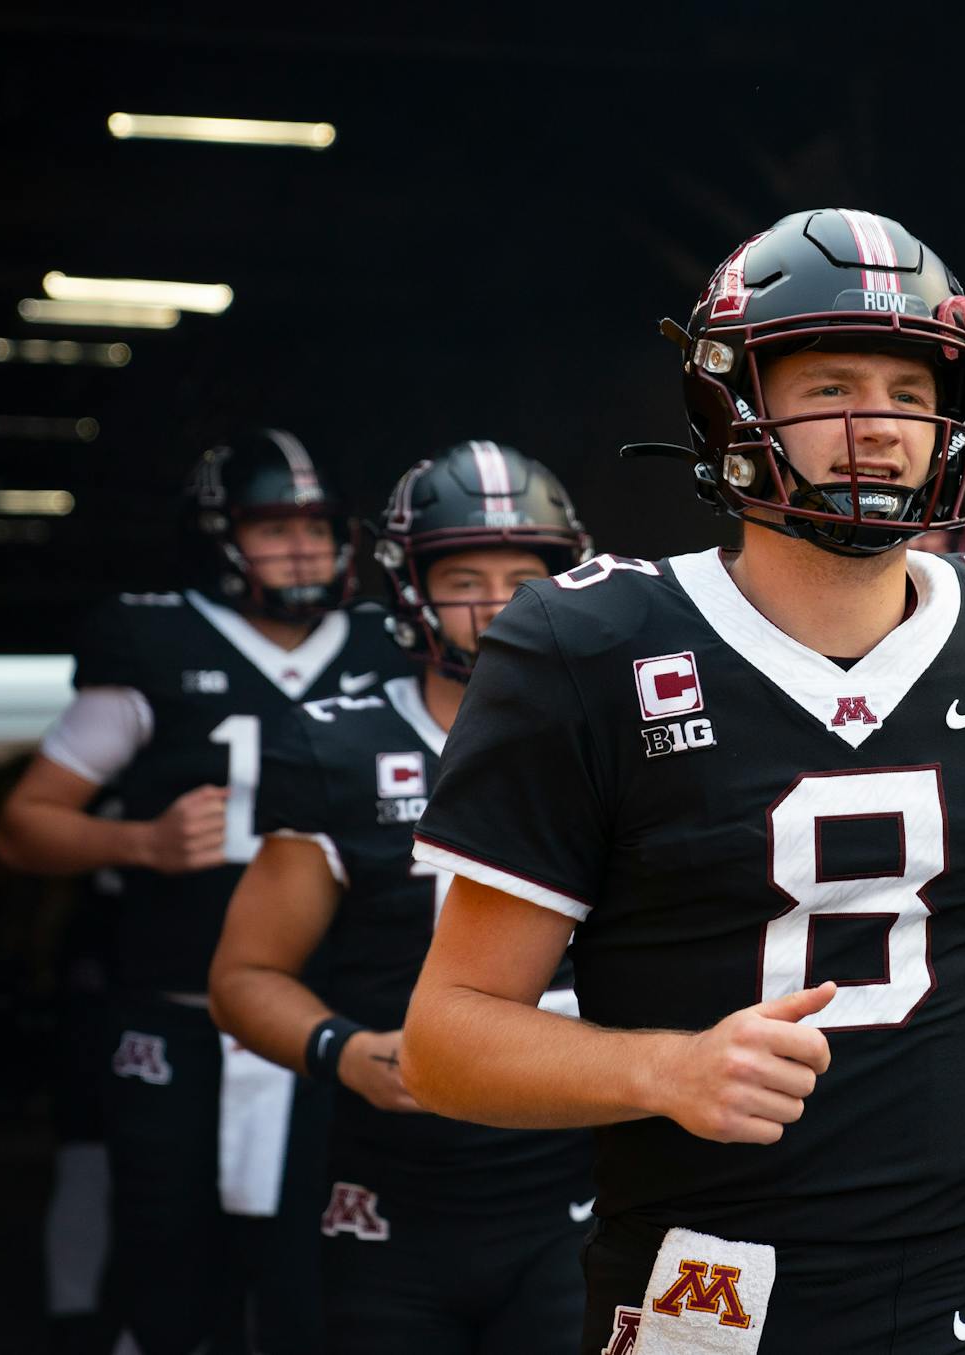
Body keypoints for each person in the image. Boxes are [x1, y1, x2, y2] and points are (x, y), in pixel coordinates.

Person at [397, 208, 965, 1355]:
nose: (881, 427)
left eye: (912, 394)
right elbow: (444, 1039)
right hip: (700, 1283)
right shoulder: (589, 646)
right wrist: (668, 1068)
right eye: (832, 388)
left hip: (959, 1276)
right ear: (735, 406)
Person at [0, 429, 405, 1355]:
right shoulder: (152, 640)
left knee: (329, 1282)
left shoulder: (388, 642)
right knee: (174, 1278)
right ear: (220, 538)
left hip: (337, 1022)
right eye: (272, 527)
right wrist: (138, 838)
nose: (303, 548)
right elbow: (25, 824)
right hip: (180, 1017)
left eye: (318, 525)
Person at [209, 442, 599, 1353]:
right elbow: (243, 974)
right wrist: (342, 1051)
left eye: (524, 575)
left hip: (577, 1182)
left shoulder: (625, 740)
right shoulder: (337, 749)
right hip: (391, 1200)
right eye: (465, 575)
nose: (498, 603)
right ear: (411, 587)